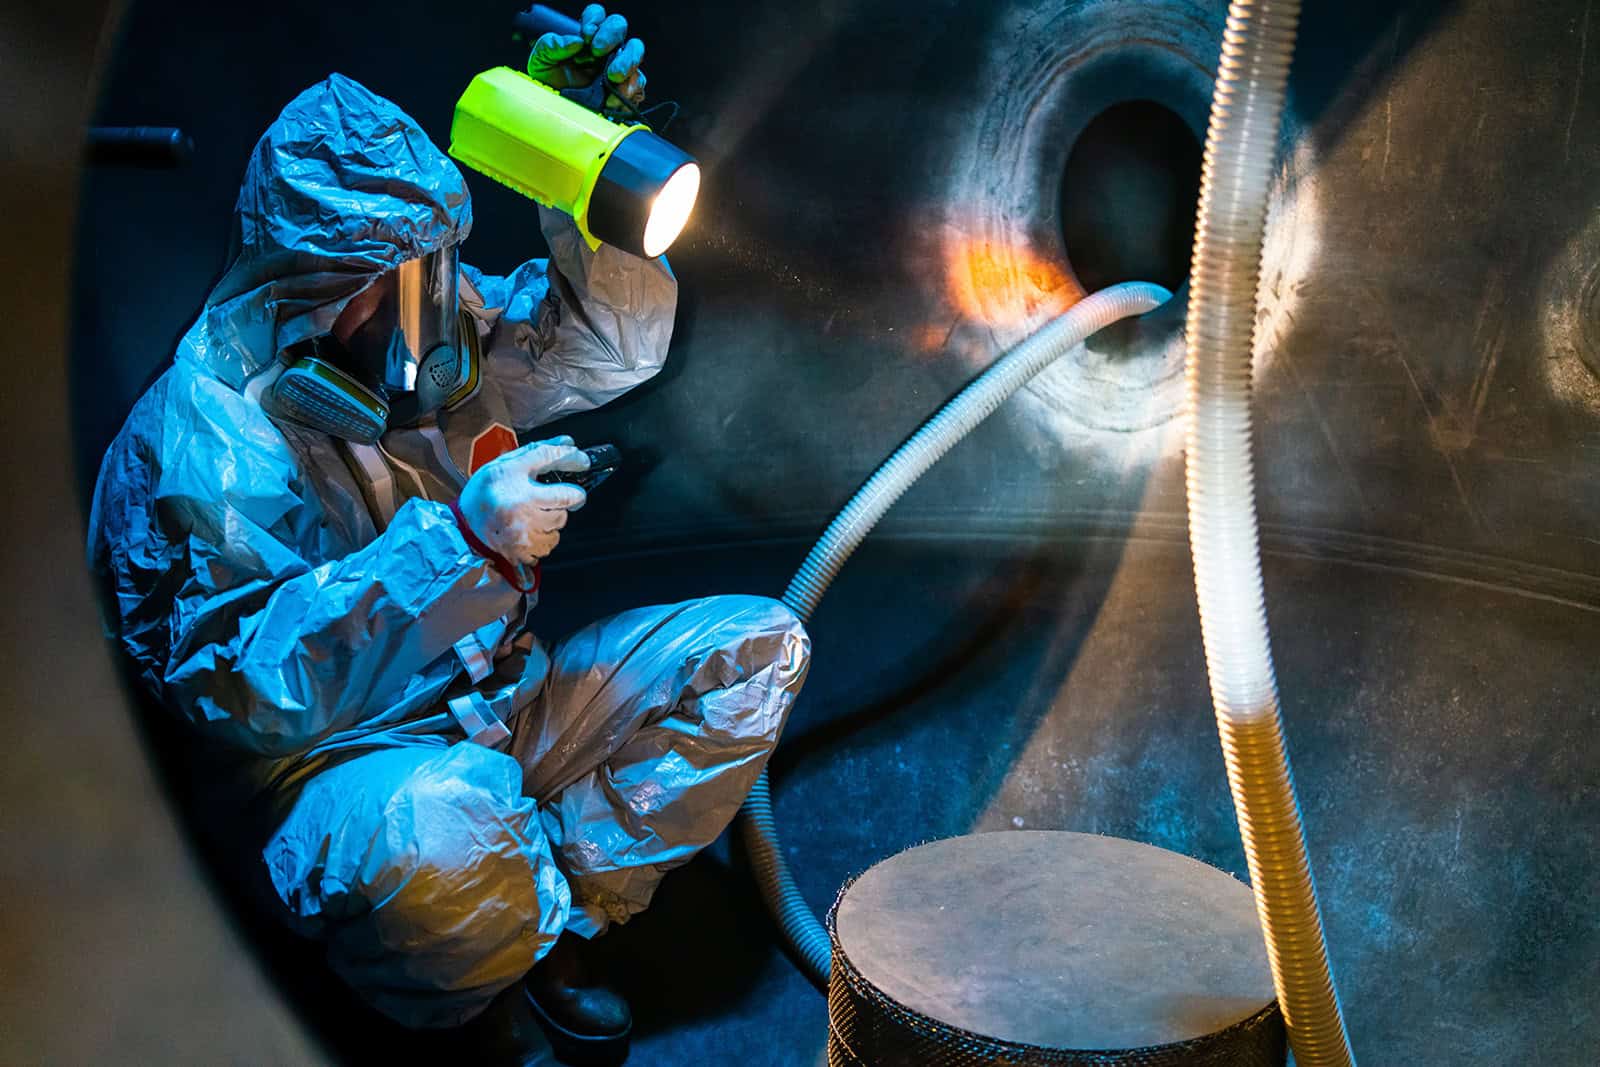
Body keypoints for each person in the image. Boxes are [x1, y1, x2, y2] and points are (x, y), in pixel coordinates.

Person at [87, 8, 810, 1063]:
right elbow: (249, 686)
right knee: (450, 827)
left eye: (440, 268)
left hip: (488, 708)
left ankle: (540, 921)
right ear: (318, 293)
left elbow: (609, 348)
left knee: (753, 653)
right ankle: (462, 971)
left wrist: (577, 168)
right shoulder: (204, 438)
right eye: (405, 284)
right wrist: (463, 544)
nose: (440, 313)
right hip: (333, 770)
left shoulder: (418, 331)